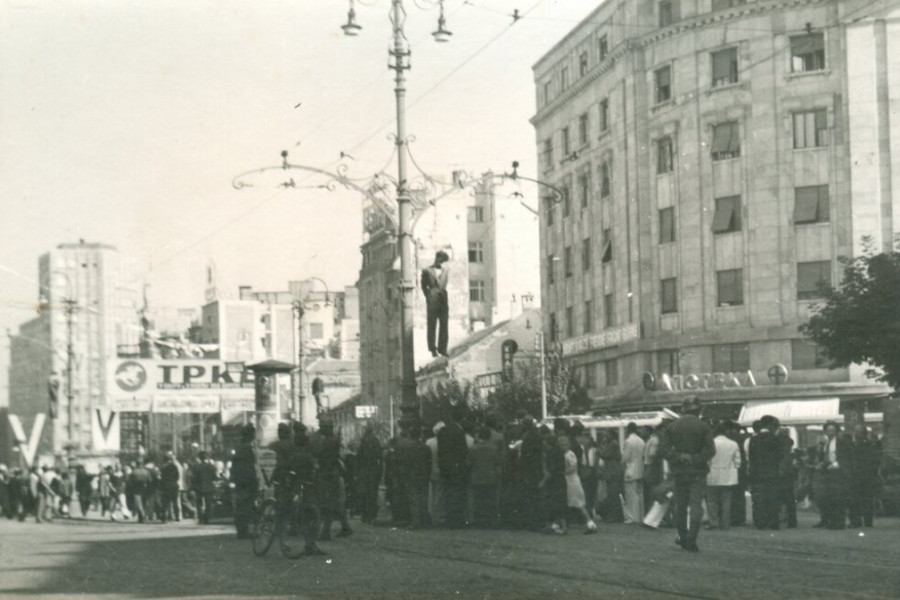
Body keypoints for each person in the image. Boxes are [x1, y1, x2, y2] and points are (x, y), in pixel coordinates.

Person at [661, 396, 715, 552]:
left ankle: (682, 536)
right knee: (696, 506)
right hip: (698, 471)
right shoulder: (704, 427)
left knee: (680, 506)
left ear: (683, 409)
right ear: (698, 410)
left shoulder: (672, 426)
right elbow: (710, 450)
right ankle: (692, 539)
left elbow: (663, 450)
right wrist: (694, 458)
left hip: (679, 471)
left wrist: (678, 457)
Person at [312, 419, 353, 540]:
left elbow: (318, 453)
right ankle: (345, 527)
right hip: (333, 473)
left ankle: (326, 532)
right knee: (337, 502)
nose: (320, 429)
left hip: (327, 474)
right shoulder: (334, 439)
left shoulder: (328, 441)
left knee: (328, 503)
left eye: (322, 427)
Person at [748, 415, 785, 530]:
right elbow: (780, 455)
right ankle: (773, 522)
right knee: (773, 498)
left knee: (760, 499)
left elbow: (751, 457)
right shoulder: (775, 438)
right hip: (772, 473)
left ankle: (760, 522)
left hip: (758, 473)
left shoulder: (754, 439)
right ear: (770, 425)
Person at [815, 421, 851, 530]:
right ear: (825, 431)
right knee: (829, 498)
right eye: (828, 430)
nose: (830, 432)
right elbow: (826, 456)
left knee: (838, 498)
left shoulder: (841, 441)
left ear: (836, 431)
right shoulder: (826, 442)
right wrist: (822, 463)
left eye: (833, 430)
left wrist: (836, 464)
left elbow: (846, 456)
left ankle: (839, 523)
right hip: (828, 472)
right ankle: (832, 521)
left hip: (838, 472)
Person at [437, 410, 470, 528]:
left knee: (448, 492)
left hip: (445, 467)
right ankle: (457, 519)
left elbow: (440, 451)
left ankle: (449, 518)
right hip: (457, 467)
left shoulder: (443, 431)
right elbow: (463, 451)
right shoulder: (459, 431)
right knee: (457, 493)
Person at [706, 422, 741, 530]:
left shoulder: (711, 443)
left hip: (712, 475)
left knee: (712, 501)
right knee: (726, 501)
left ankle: (713, 523)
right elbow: (738, 461)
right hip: (729, 476)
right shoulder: (733, 444)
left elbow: (707, 460)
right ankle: (725, 524)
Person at [560, 435, 597, 534]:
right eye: (560, 444)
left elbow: (572, 467)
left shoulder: (569, 454)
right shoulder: (565, 454)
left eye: (564, 444)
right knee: (568, 504)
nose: (562, 446)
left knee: (578, 504)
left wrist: (563, 472)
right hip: (568, 481)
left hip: (572, 482)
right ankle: (564, 525)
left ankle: (590, 523)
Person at [230, 424, 261, 538]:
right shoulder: (246, 448)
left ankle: (242, 530)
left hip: (240, 481)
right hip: (246, 481)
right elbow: (248, 467)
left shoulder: (239, 447)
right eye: (253, 433)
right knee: (245, 506)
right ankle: (243, 531)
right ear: (249, 435)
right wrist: (253, 481)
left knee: (241, 505)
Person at [848, 424, 881, 528]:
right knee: (866, 499)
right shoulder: (870, 444)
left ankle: (858, 521)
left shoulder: (860, 445)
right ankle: (867, 521)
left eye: (858, 432)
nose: (856, 434)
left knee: (858, 499)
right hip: (865, 476)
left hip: (861, 476)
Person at [470, 426, 502, 528]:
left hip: (477, 476)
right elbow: (498, 463)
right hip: (491, 476)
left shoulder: (473, 448)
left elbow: (470, 462)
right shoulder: (494, 448)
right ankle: (490, 521)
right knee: (490, 500)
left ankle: (478, 520)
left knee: (478, 499)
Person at [421, 250, 450, 357]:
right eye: (441, 260)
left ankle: (443, 349)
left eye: (444, 262)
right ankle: (433, 349)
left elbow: (444, 284)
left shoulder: (446, 271)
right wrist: (428, 295)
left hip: (443, 300)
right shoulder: (427, 270)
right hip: (432, 301)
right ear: (437, 258)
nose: (441, 263)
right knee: (432, 325)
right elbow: (423, 286)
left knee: (444, 325)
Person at [356, 425, 384, 525]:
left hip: (364, 472)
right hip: (373, 471)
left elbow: (358, 458)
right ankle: (372, 515)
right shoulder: (376, 441)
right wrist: (379, 471)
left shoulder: (363, 442)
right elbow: (380, 457)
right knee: (372, 494)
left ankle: (365, 515)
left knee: (364, 494)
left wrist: (358, 471)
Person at [621, 422, 646, 524]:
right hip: (640, 468)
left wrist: (622, 464)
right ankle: (640, 515)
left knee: (631, 494)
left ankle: (632, 517)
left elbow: (625, 458)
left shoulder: (628, 441)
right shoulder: (641, 441)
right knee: (639, 494)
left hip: (631, 469)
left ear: (628, 430)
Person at [194, 452, 218, 524]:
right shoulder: (211, 466)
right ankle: (207, 518)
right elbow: (214, 477)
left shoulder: (196, 467)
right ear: (207, 458)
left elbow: (194, 478)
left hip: (199, 487)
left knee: (199, 503)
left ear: (200, 458)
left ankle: (200, 518)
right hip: (209, 487)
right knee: (208, 503)